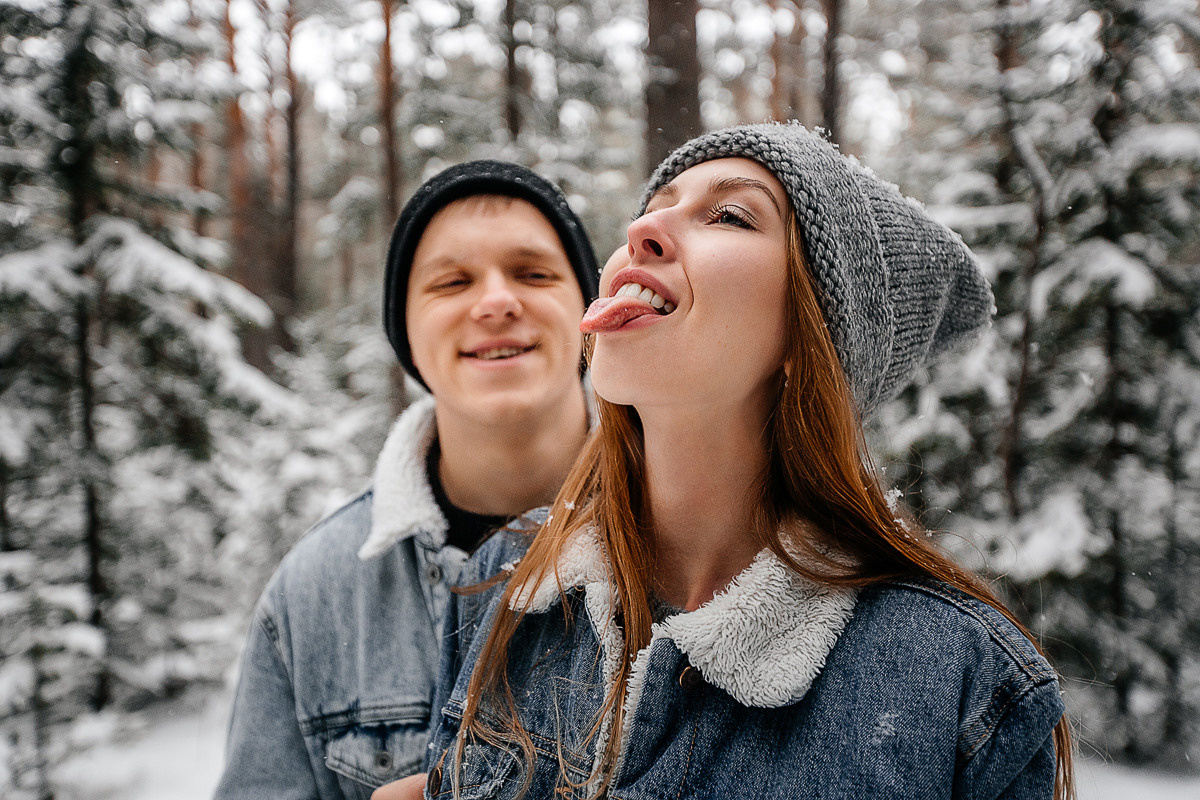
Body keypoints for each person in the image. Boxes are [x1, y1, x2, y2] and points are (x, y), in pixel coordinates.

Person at [381, 123, 1075, 800]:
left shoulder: (962, 681)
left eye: (731, 215)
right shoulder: (508, 580)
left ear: (814, 338)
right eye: (652, 211)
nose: (639, 235)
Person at [213, 160, 600, 800]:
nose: (497, 301)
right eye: (452, 282)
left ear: (587, 308)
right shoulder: (313, 595)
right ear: (408, 335)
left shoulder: (697, 543)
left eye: (534, 274)